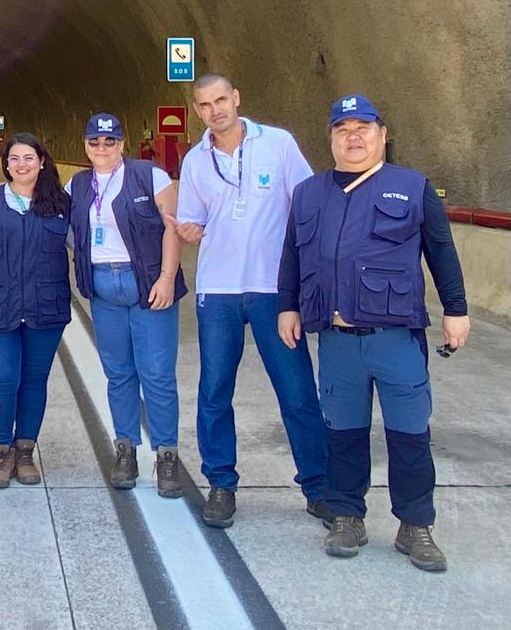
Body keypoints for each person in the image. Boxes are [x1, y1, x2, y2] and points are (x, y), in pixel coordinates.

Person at [278, 94, 470, 572]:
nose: (354, 136)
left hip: (396, 335)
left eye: (364, 127)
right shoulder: (309, 192)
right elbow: (293, 255)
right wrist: (288, 306)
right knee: (343, 432)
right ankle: (347, 515)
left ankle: (415, 526)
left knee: (409, 434)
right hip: (338, 339)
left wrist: (456, 310)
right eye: (343, 129)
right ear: (331, 140)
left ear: (383, 136)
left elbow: (441, 251)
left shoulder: (412, 186)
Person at [170, 73, 329, 529]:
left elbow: (307, 205)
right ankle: (221, 483)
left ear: (236, 98)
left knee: (297, 390)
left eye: (221, 99)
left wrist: (306, 280)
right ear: (197, 110)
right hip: (218, 289)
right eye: (205, 104)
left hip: (273, 290)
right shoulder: (196, 159)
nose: (215, 110)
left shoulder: (277, 144)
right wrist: (189, 231)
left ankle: (318, 488)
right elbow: (194, 221)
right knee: (215, 390)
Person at [66, 112, 188, 497]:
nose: (102, 149)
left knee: (156, 373)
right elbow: (69, 232)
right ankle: (126, 449)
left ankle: (166, 455)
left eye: (110, 141)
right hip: (104, 289)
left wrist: (167, 277)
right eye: (94, 142)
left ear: (123, 143)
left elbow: (172, 225)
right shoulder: (78, 185)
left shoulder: (149, 175)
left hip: (148, 286)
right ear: (85, 145)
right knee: (118, 373)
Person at [0, 133, 71, 488]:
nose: (21, 164)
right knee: (1, 379)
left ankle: (25, 451)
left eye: (29, 158)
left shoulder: (62, 205)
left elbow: (89, 245)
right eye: (14, 159)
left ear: (42, 162)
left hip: (46, 308)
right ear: (5, 165)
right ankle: (0, 454)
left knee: (33, 381)